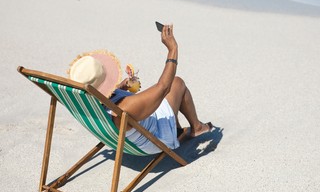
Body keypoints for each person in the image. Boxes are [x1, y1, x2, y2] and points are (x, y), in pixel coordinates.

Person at [68, 24, 212, 154]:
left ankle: (185, 126)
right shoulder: (125, 109)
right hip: (155, 137)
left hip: (127, 133)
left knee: (167, 90)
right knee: (177, 83)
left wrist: (120, 88)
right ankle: (196, 127)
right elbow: (163, 88)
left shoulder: (86, 101)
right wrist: (173, 49)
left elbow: (102, 95)